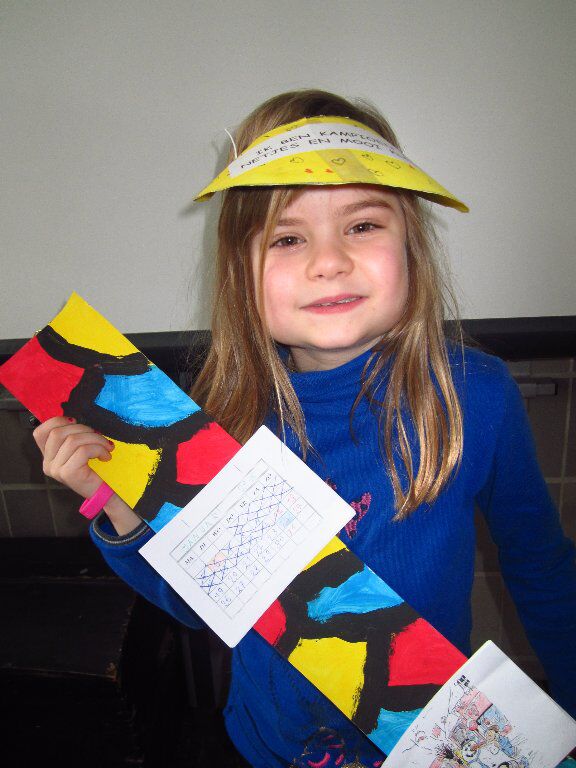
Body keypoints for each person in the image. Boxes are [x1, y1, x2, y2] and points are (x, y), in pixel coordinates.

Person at [32, 90, 576, 767]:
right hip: (272, 746)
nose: (329, 261)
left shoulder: (474, 396)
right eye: (288, 239)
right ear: (241, 272)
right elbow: (201, 606)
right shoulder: (224, 419)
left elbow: (541, 567)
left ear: (411, 245)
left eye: (362, 225)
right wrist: (119, 508)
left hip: (423, 741)